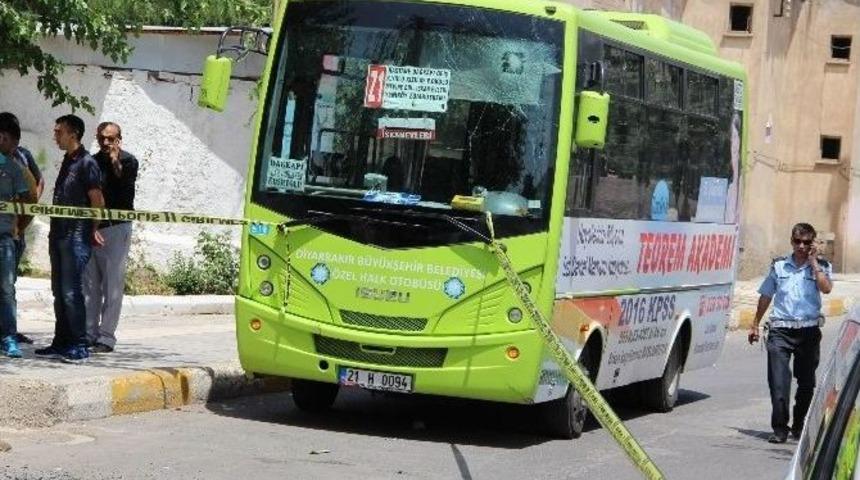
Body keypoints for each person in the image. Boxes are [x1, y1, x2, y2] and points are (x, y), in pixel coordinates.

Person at [748, 222, 833, 444]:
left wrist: (814, 263)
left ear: (812, 243)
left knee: (806, 383)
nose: (802, 246)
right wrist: (755, 323)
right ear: (791, 241)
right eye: (798, 241)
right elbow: (766, 295)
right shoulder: (778, 267)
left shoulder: (821, 265)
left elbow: (826, 288)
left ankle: (799, 424)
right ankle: (780, 428)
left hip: (808, 331)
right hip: (780, 331)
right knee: (778, 382)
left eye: (806, 242)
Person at [35, 115, 105, 364]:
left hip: (76, 235)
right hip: (59, 233)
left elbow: (98, 201)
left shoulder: (87, 163)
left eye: (59, 132)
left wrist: (92, 229)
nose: (55, 136)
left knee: (71, 292)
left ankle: (79, 344)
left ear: (73, 134)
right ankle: (61, 341)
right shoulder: (68, 160)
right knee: (58, 291)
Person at [84, 122, 138, 354]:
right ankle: (89, 333)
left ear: (119, 139)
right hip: (93, 227)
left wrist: (115, 161)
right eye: (102, 138)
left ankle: (106, 337)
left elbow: (122, 181)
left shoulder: (128, 161)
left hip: (116, 229)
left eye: (111, 138)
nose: (106, 143)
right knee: (90, 285)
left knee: (112, 285)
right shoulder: (92, 162)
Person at [0, 112, 45, 346]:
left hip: (10, 235)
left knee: (7, 286)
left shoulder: (22, 159)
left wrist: (20, 225)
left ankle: (8, 333)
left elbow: (35, 189)